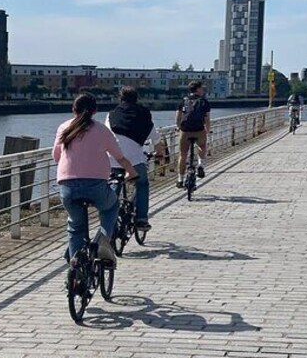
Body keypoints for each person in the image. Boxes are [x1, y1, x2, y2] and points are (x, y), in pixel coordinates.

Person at [53, 93, 137, 265]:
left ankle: (76, 268)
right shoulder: (102, 130)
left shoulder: (64, 128)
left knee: (76, 226)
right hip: (95, 185)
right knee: (111, 206)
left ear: (73, 109)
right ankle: (103, 240)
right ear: (95, 111)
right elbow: (119, 157)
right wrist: (132, 172)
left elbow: (56, 157)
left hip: (67, 186)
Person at [106, 86, 165, 232]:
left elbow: (106, 136)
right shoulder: (144, 114)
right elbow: (156, 139)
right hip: (135, 160)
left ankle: (109, 217)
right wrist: (159, 154)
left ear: (120, 98)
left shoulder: (111, 114)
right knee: (142, 184)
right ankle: (141, 220)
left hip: (113, 158)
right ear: (136, 98)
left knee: (115, 183)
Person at [175, 80, 211, 188]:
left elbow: (178, 117)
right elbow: (207, 119)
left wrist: (178, 127)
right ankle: (200, 165)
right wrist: (207, 130)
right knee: (202, 146)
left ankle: (180, 180)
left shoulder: (183, 101)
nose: (203, 90)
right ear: (198, 89)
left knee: (182, 154)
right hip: (199, 130)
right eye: (202, 88)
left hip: (185, 131)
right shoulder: (204, 102)